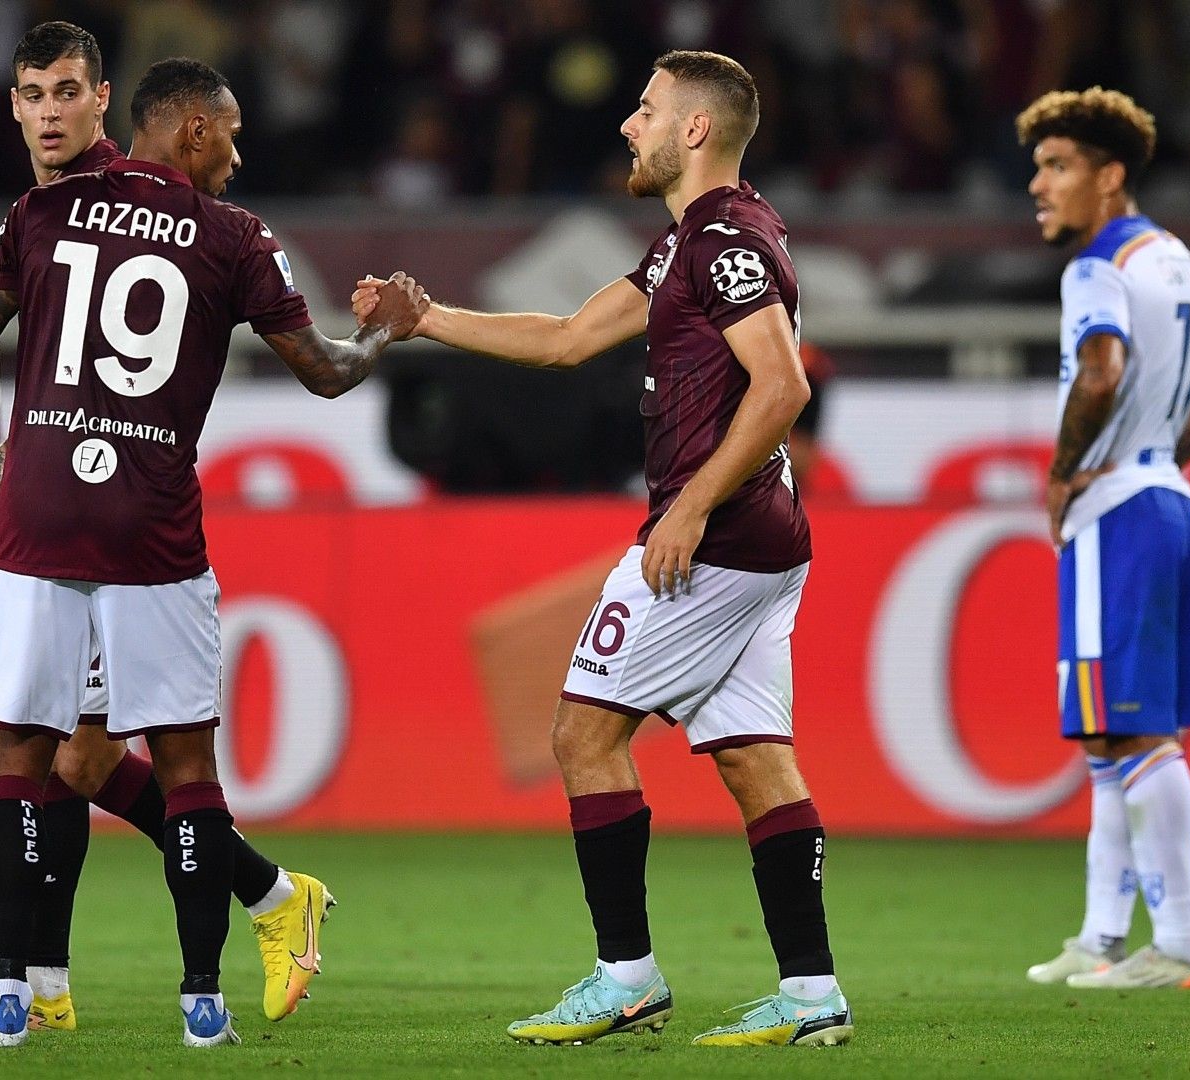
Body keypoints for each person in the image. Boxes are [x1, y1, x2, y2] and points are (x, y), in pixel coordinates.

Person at [0, 58, 424, 1049]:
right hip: (151, 527)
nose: (238, 156)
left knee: (24, 755)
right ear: (192, 127)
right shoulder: (234, 236)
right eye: (231, 135)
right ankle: (202, 1003)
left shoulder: (43, 210)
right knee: (179, 762)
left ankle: (17, 995)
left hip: (35, 515)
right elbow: (322, 373)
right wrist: (384, 336)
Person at [353, 50, 850, 1048]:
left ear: (695, 130)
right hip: (761, 539)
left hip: (715, 537)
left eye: (648, 109)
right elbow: (569, 337)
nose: (630, 125)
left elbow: (783, 387)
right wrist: (428, 320)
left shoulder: (726, 242)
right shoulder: (693, 243)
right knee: (755, 759)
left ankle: (626, 977)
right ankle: (811, 994)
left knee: (583, 738)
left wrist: (691, 508)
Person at [1018, 87, 1190, 991]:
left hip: (1119, 510)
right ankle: (1102, 934)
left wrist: (1067, 469)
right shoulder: (1174, 258)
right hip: (1166, 499)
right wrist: (1164, 454)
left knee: (1139, 733)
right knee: (1111, 737)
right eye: (1038, 167)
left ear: (1110, 177)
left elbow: (1101, 370)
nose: (1037, 185)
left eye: (1058, 166)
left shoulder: (1097, 266)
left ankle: (1182, 944)